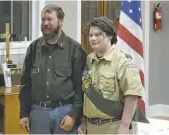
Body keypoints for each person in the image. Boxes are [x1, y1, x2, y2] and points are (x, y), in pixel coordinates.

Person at [18, 4, 87, 134]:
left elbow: (81, 88)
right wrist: (24, 114)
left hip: (65, 112)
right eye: (43, 20)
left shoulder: (75, 49)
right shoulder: (33, 48)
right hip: (39, 113)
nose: (45, 23)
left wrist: (74, 114)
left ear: (61, 22)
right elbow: (25, 85)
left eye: (50, 19)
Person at [77, 17, 149, 134]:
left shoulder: (122, 61)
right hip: (90, 127)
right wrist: (83, 121)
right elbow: (86, 95)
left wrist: (125, 126)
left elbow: (132, 96)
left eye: (98, 35)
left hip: (114, 127)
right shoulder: (88, 60)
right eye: (90, 35)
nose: (93, 39)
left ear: (110, 36)